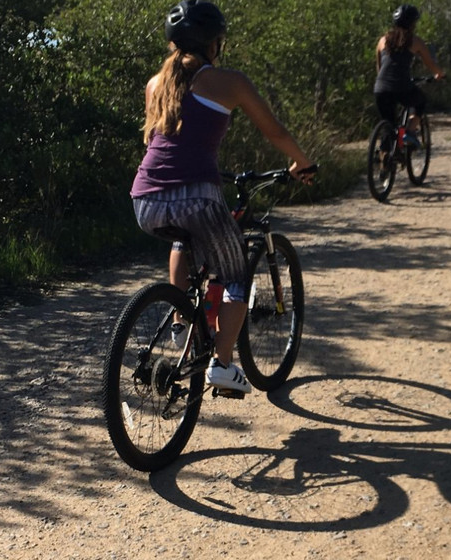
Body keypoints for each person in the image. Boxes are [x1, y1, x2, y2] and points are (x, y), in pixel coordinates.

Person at [131, 0, 315, 394]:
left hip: (144, 200)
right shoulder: (229, 82)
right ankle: (223, 364)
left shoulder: (154, 84)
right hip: (197, 197)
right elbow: (275, 132)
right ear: (214, 43)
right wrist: (302, 163)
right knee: (236, 275)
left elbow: (158, 144)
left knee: (183, 239)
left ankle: (183, 322)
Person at [374, 4, 446, 146]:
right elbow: (430, 64)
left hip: (380, 87)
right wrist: (440, 74)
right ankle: (409, 132)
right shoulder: (415, 41)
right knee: (420, 101)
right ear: (412, 23)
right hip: (401, 86)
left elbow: (379, 66)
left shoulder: (382, 40)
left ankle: (384, 156)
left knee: (388, 125)